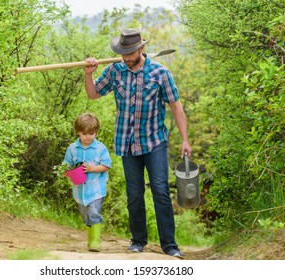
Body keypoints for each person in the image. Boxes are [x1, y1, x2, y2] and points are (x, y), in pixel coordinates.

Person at [83, 28, 192, 258]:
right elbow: (93, 94)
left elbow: (176, 107)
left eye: (130, 53)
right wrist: (89, 73)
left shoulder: (160, 73)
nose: (126, 58)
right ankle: (138, 240)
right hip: (127, 142)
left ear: (141, 49)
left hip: (154, 141)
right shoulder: (115, 70)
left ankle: (169, 245)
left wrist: (185, 139)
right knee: (134, 193)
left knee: (161, 191)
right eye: (123, 53)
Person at [63, 112, 112, 252]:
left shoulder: (100, 148)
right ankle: (90, 240)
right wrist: (65, 171)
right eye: (85, 134)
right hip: (79, 190)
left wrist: (92, 168)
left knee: (94, 212)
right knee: (86, 216)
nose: (88, 137)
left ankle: (96, 241)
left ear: (96, 132)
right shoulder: (72, 149)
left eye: (92, 133)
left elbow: (107, 165)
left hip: (96, 189)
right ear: (78, 132)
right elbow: (66, 164)